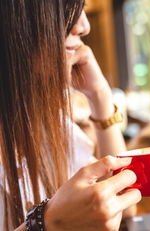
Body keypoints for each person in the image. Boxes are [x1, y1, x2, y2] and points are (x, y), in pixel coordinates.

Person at [0, 0, 141, 230]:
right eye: (68, 10)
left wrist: (100, 95)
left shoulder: (44, 122)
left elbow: (124, 206)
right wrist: (46, 224)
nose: (84, 26)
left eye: (82, 8)